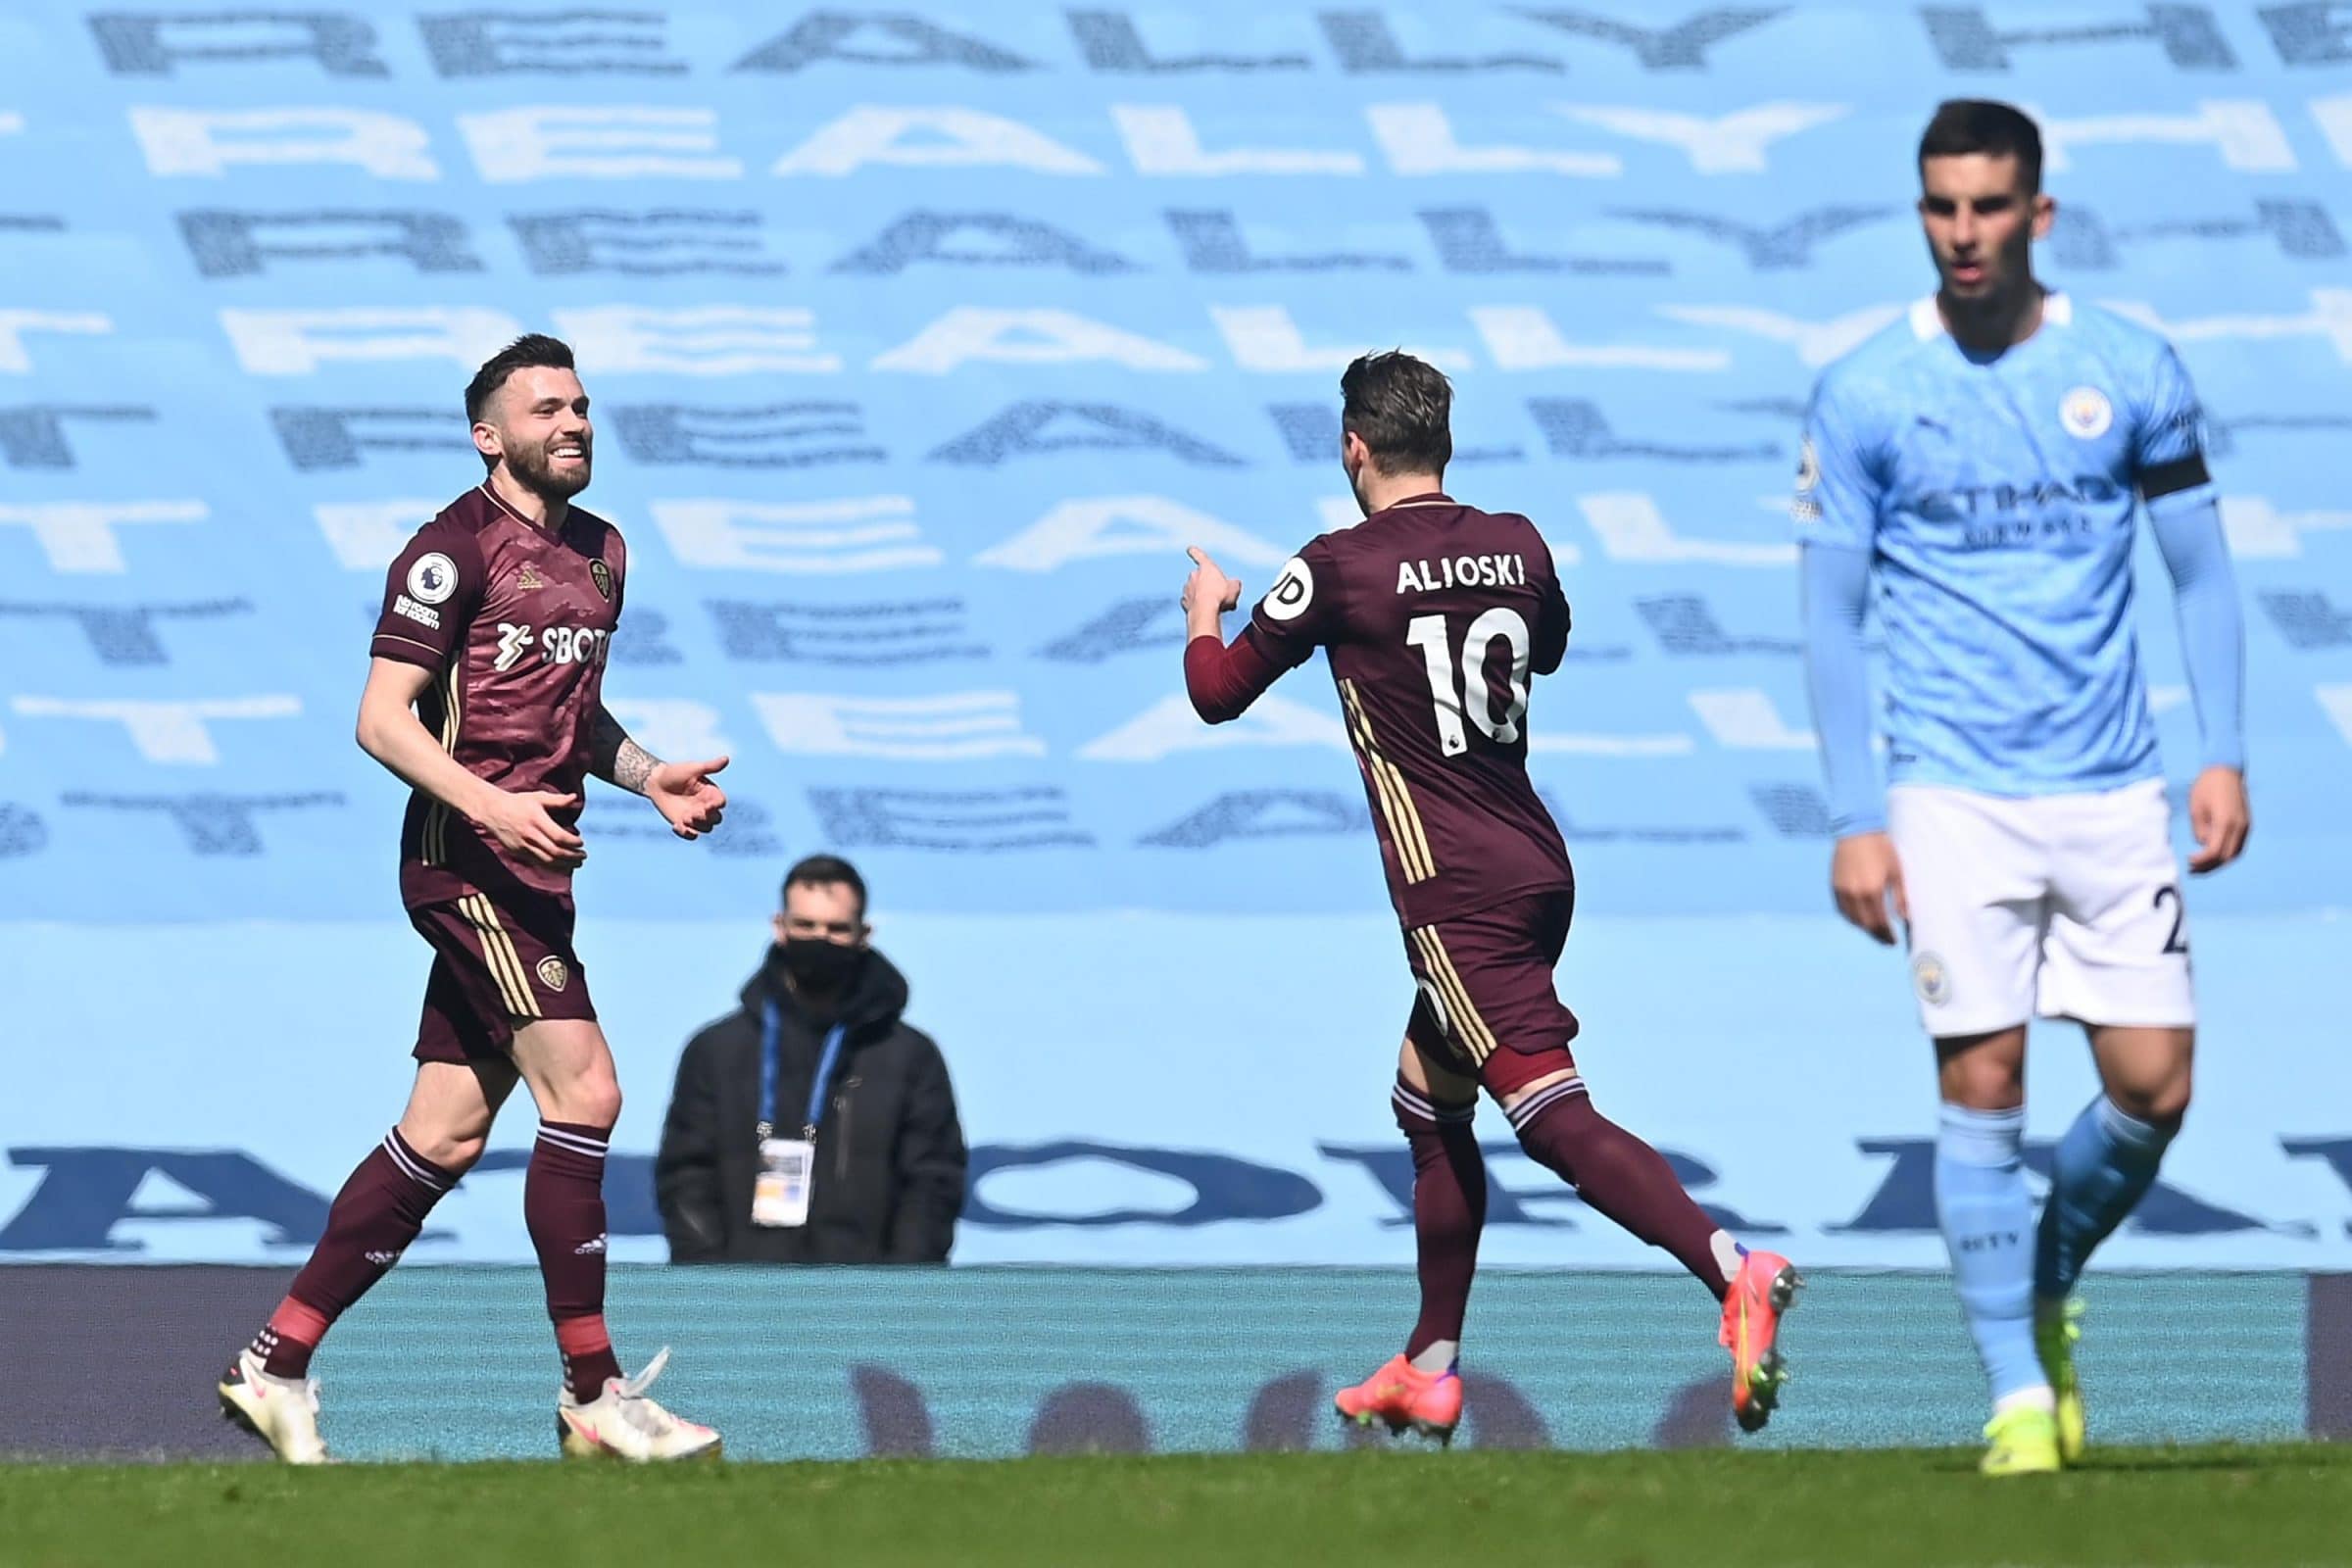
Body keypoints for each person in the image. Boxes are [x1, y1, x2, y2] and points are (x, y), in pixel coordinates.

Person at [1180, 350, 1799, 1446]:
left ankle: (1730, 1269)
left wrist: (1204, 610)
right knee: (1427, 1099)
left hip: (1453, 890)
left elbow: (1216, 692)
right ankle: (1430, 1364)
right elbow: (1545, 647)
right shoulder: (1518, 542)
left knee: (1548, 1115)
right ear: (1445, 442)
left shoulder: (1336, 566)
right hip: (1535, 863)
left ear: (1353, 447)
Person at [1796, 101, 2250, 1476]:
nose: (1964, 231)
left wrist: (2222, 749)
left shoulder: (2127, 367)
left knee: (2154, 1087)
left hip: (2111, 786)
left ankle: (2040, 1275)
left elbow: (2200, 572)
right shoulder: (1867, 389)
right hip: (1952, 792)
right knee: (1983, 1077)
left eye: (1989, 205)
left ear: (2037, 214)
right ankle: (2014, 1393)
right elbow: (1830, 614)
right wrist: (1857, 816)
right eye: (1942, 206)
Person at [217, 335, 730, 1464]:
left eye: (581, 405)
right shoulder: (449, 550)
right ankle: (594, 1394)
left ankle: (277, 1359)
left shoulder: (603, 553)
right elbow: (382, 718)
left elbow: (567, 712)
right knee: (586, 1092)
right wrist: (492, 806)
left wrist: (649, 776)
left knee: (443, 1134)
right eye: (547, 409)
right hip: (467, 863)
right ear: (489, 436)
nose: (574, 423)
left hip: (539, 872)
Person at [656, 856, 967, 1264]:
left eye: (837, 929)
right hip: (742, 1289)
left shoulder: (910, 1055)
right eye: (805, 926)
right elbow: (685, 1175)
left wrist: (899, 1287)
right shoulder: (716, 1050)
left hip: (866, 1290)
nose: (820, 939)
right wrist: (713, 1280)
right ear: (779, 926)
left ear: (864, 934)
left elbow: (932, 1183)